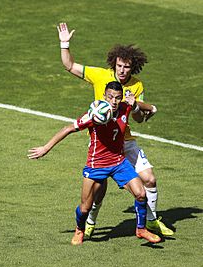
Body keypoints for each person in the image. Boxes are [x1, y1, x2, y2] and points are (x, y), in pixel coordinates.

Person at [57, 22, 174, 238]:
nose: (122, 70)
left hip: (126, 141)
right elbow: (69, 65)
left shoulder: (137, 86)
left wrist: (136, 104)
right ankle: (90, 222)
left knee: (149, 179)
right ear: (114, 64)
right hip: (104, 142)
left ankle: (151, 222)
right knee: (99, 190)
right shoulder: (100, 75)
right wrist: (65, 43)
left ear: (133, 68)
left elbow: (138, 119)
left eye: (127, 67)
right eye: (119, 66)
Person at [28, 82, 161, 245]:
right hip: (96, 165)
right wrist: (45, 148)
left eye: (118, 98)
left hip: (119, 162)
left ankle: (141, 229)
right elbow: (68, 128)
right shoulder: (94, 114)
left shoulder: (125, 108)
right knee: (85, 207)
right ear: (104, 96)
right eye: (110, 97)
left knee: (141, 194)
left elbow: (139, 106)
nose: (114, 101)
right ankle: (80, 229)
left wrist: (148, 108)